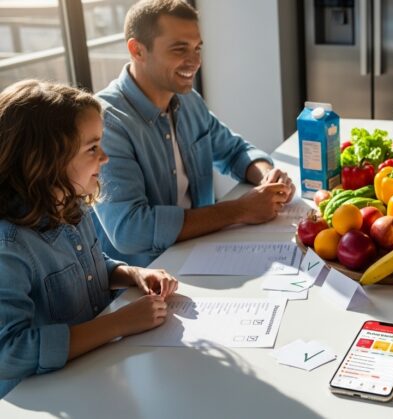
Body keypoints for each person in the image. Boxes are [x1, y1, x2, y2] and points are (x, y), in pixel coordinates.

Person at [0, 80, 179, 398]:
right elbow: (9, 352)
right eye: (92, 148)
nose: (105, 158)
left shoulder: (70, 206)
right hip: (44, 396)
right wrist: (118, 324)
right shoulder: (9, 246)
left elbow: (89, 268)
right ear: (46, 160)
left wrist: (132, 274)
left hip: (95, 375)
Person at [94, 0, 296, 267]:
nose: (195, 61)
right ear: (137, 50)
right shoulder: (105, 123)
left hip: (204, 252)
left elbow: (235, 150)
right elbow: (130, 230)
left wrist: (268, 178)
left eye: (197, 48)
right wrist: (241, 209)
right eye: (180, 49)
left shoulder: (188, 102)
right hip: (149, 279)